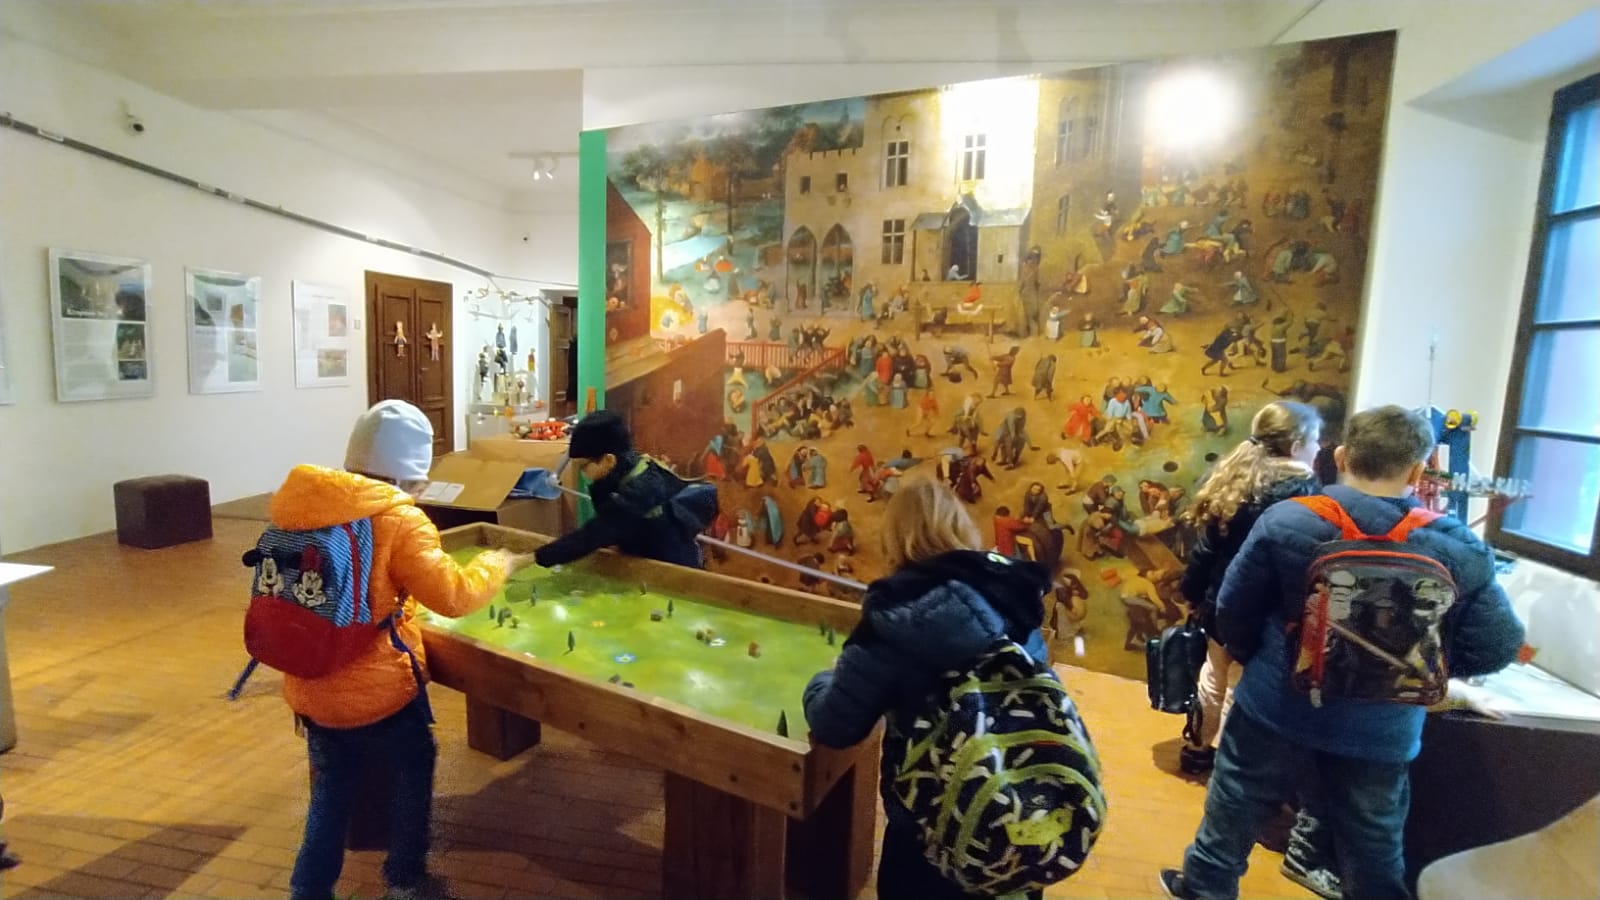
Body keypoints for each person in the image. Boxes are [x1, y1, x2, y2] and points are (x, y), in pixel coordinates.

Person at [1161, 406, 1525, 900]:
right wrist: (1416, 670)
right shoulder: (1455, 544)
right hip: (1382, 724)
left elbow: (1232, 609)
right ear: (1417, 471)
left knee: (1237, 800)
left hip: (1278, 703)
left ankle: (1204, 887)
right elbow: (1496, 645)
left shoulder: (1288, 520)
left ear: (1341, 457)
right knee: (1373, 840)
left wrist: (1269, 659)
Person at [279, 401, 531, 900]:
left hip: (310, 682)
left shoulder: (302, 504)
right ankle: (405, 880)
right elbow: (454, 596)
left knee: (330, 792)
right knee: (413, 768)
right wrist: (497, 563)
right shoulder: (399, 519)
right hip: (379, 691)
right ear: (407, 476)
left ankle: (308, 890)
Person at [802, 478, 1059, 900]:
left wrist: (821, 681)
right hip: (1021, 819)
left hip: (932, 837)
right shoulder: (1015, 594)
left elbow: (835, 723)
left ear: (895, 537)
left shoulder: (895, 613)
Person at [1178, 401, 1322, 775]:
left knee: (1213, 674)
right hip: (1264, 610)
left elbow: (1206, 550)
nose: (1319, 447)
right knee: (1238, 687)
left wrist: (1192, 593)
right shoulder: (1304, 491)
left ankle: (1196, 748)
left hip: (1218, 601)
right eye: (1315, 440)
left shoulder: (1236, 478)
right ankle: (1227, 763)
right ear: (1296, 446)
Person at [534, 410, 712, 570]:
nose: (581, 473)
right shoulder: (615, 474)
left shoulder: (642, 487)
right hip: (641, 558)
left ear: (608, 460)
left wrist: (536, 558)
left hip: (672, 568)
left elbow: (595, 533)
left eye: (583, 466)